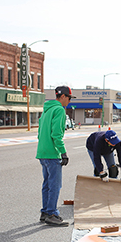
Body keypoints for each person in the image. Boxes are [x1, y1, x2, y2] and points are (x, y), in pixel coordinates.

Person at [36, 86, 75, 227]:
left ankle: (45, 212)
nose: (69, 101)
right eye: (69, 98)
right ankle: (52, 213)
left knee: (47, 184)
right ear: (63, 96)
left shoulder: (46, 110)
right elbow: (56, 135)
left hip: (42, 152)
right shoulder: (59, 110)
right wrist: (63, 152)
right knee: (55, 185)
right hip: (52, 153)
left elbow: (39, 133)